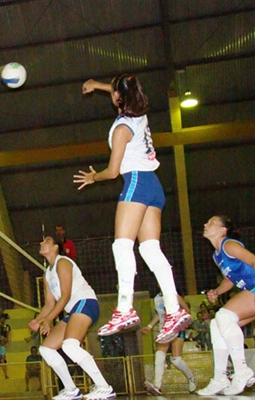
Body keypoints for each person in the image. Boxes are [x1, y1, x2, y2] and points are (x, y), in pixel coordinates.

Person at [75, 75, 191, 343]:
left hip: (136, 182)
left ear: (119, 98)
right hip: (154, 186)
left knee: (121, 245)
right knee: (150, 249)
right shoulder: (140, 114)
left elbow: (114, 172)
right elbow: (121, 90)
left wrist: (93, 177)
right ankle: (173, 310)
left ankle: (125, 309)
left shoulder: (121, 129)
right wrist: (98, 86)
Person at [29, 236, 115, 400]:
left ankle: (104, 387)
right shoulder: (47, 273)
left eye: (46, 241)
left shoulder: (63, 262)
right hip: (73, 311)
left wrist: (49, 319)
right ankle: (71, 389)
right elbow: (49, 304)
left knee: (69, 346)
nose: (41, 243)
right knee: (46, 349)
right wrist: (38, 320)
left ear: (55, 247)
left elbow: (66, 295)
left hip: (85, 303)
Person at [197, 215, 255, 396]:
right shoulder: (217, 256)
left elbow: (253, 260)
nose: (206, 224)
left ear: (223, 229)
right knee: (217, 324)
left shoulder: (229, 245)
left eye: (212, 222)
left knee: (223, 316)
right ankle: (220, 378)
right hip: (251, 291)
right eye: (206, 221)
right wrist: (217, 291)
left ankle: (242, 371)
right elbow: (229, 279)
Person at [140, 293, 197, 395]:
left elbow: (187, 311)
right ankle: (157, 386)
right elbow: (159, 314)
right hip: (164, 330)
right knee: (159, 356)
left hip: (177, 328)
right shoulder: (157, 298)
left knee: (176, 360)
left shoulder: (174, 295)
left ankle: (191, 378)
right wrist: (149, 326)